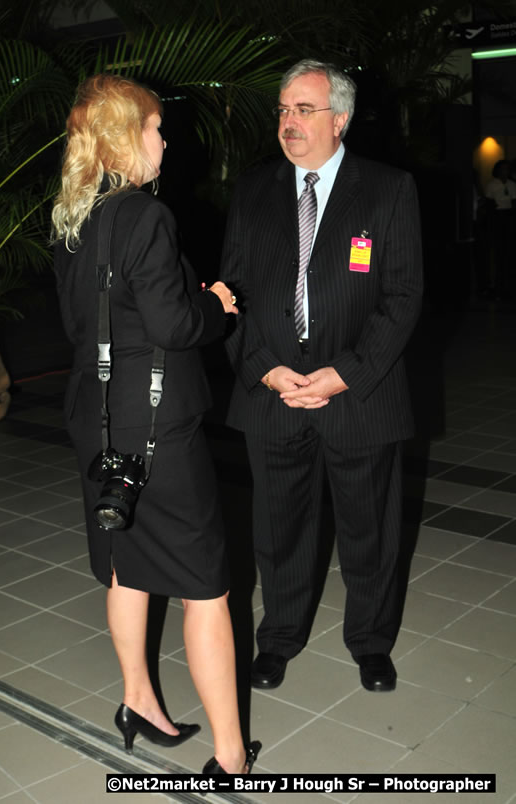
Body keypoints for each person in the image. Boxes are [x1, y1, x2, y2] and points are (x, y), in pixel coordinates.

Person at [51, 74, 259, 774]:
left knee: (126, 566)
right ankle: (232, 755)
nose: (163, 138)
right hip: (157, 430)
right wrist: (216, 303)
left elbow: (83, 324)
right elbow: (173, 324)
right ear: (123, 136)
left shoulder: (71, 218)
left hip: (97, 420)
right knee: (207, 587)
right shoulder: (145, 215)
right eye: (154, 127)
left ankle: (137, 698)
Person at [220, 59, 423, 693]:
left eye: (303, 110)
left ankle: (370, 642)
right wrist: (264, 370)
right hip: (275, 391)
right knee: (279, 529)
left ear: (339, 119)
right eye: (282, 109)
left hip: (359, 393)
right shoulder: (253, 191)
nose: (288, 122)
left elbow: (403, 296)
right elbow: (231, 293)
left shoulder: (388, 189)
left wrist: (344, 374)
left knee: (370, 529)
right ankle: (278, 638)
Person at [484, 159, 516, 299]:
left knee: (509, 251)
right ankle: (496, 284)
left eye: (507, 169)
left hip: (509, 218)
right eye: (502, 169)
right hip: (497, 218)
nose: (505, 172)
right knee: (498, 252)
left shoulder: (512, 184)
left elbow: (514, 202)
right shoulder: (492, 185)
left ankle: (507, 285)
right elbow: (488, 204)